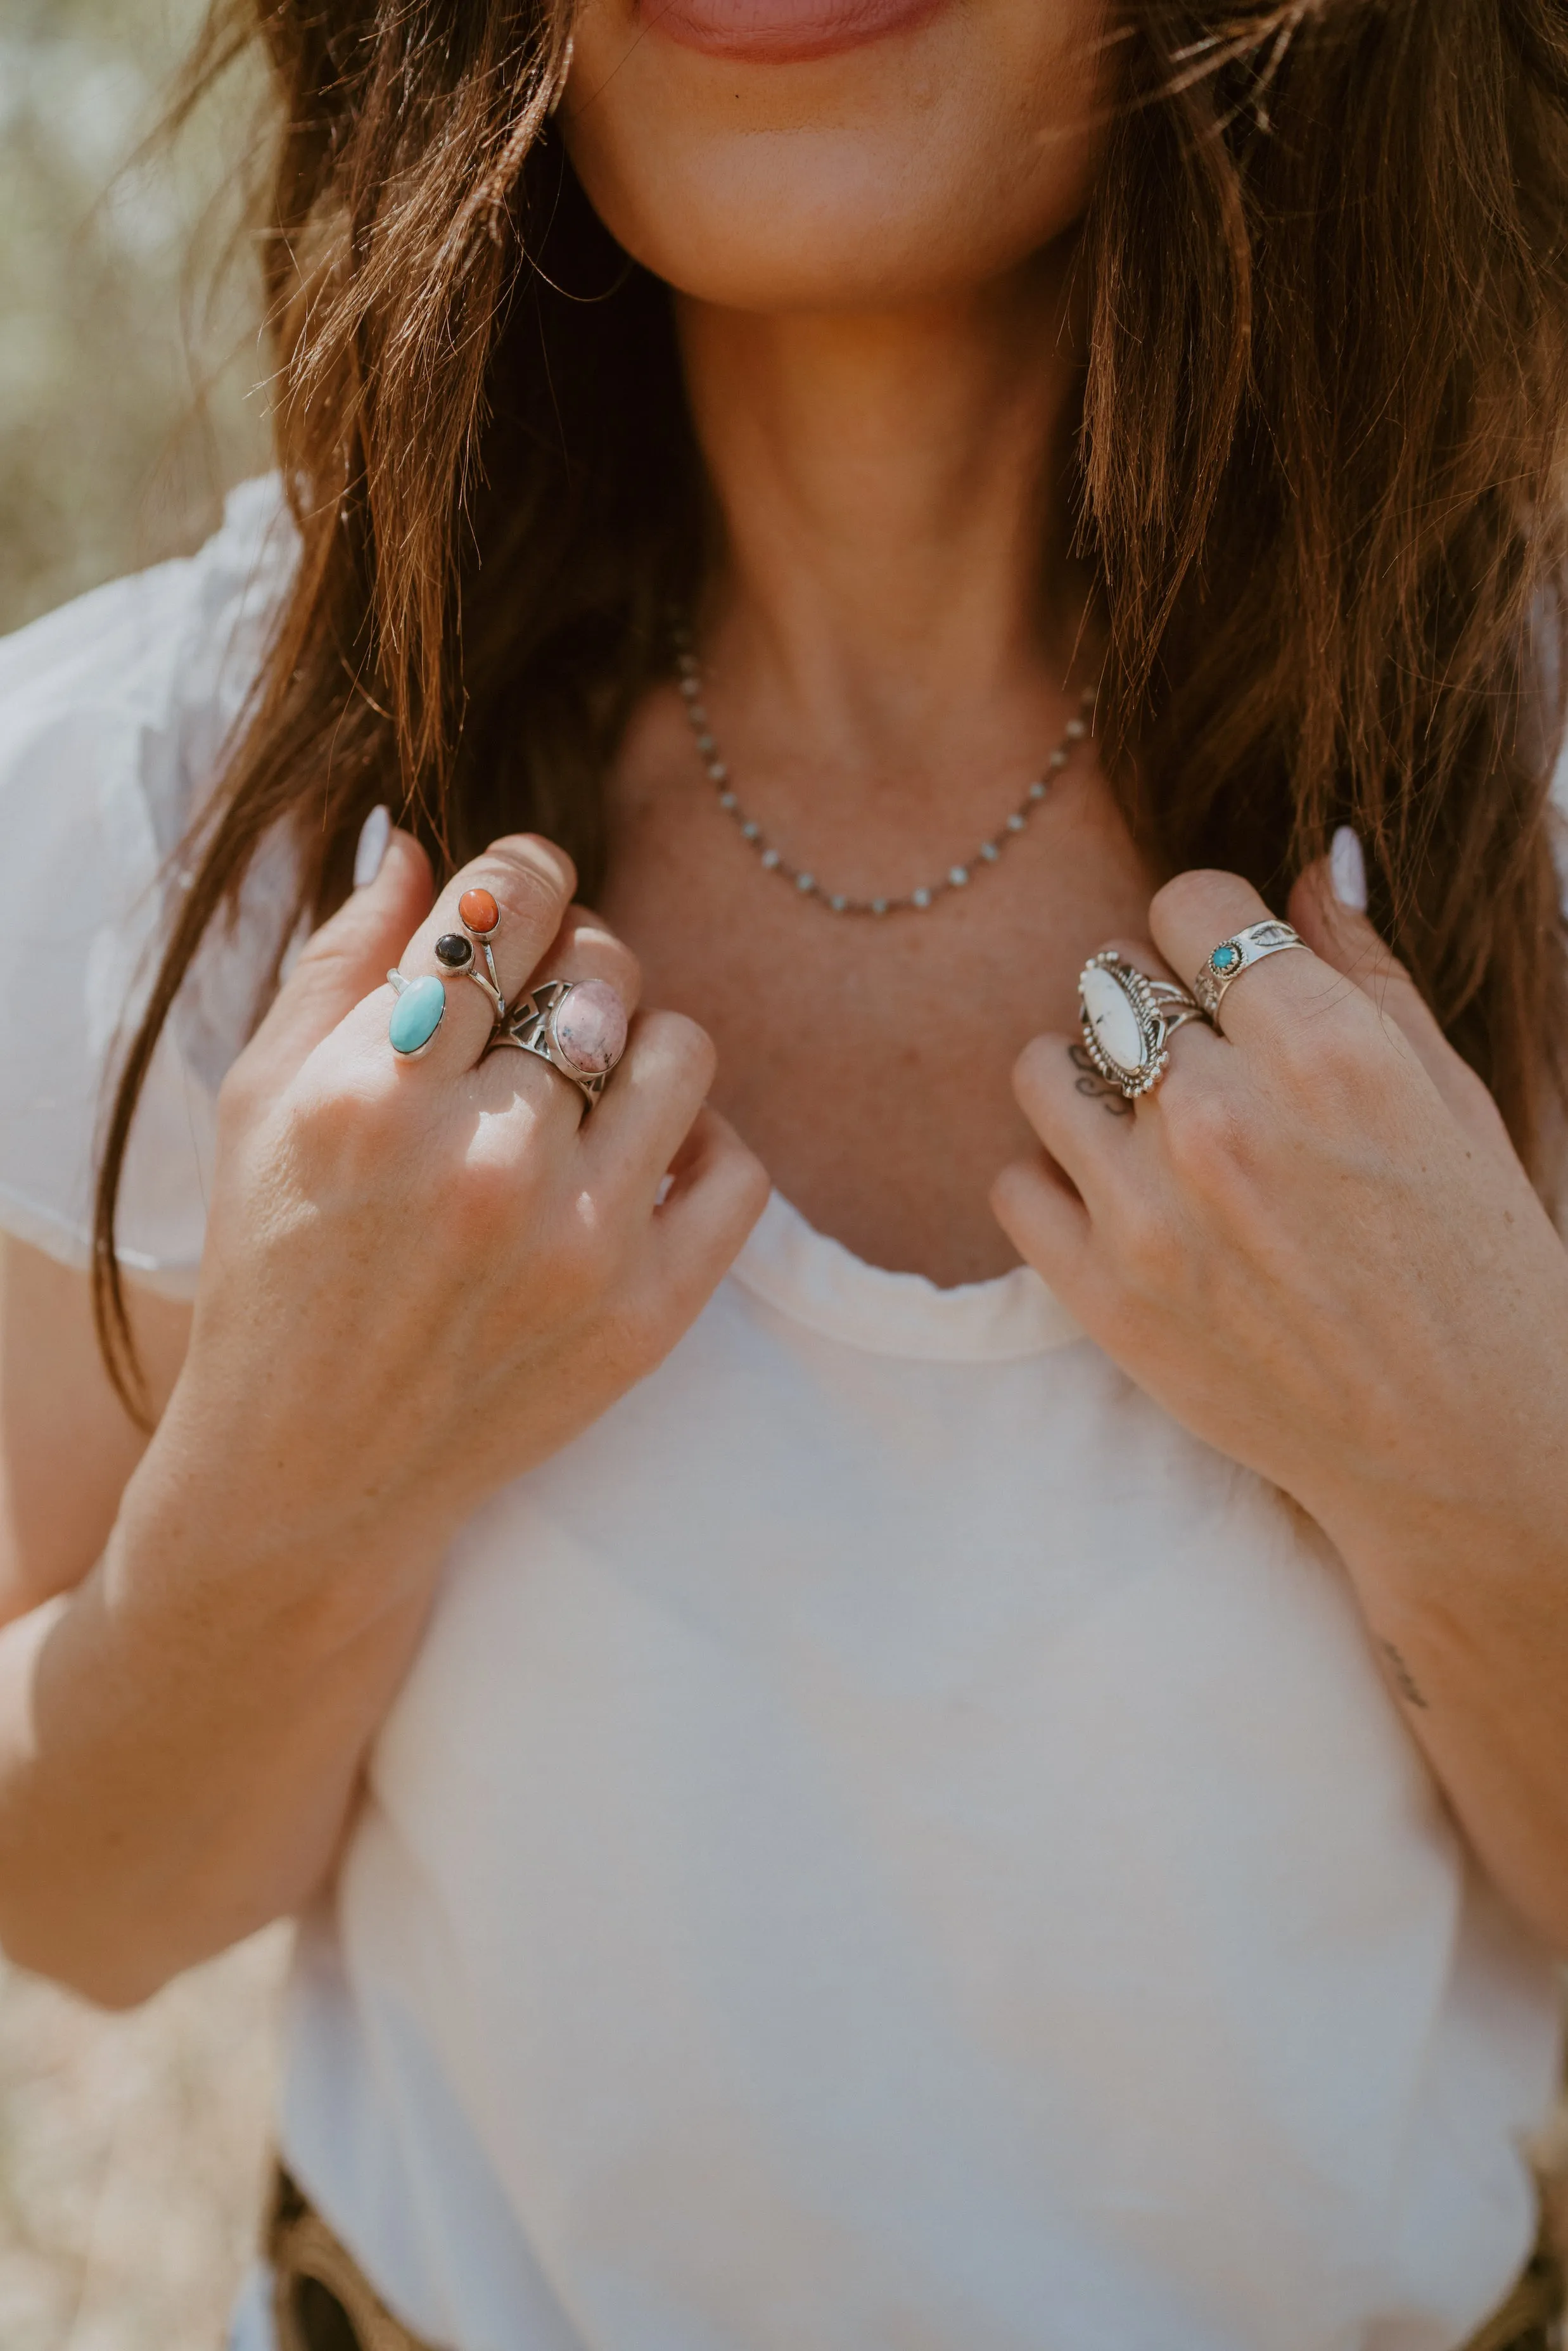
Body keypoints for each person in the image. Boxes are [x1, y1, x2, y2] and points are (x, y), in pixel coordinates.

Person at [1, 0, 1567, 2344]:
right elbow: (96, 1906)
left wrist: (1486, 1481)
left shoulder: (1529, 811)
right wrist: (276, 1502)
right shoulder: (168, 807)